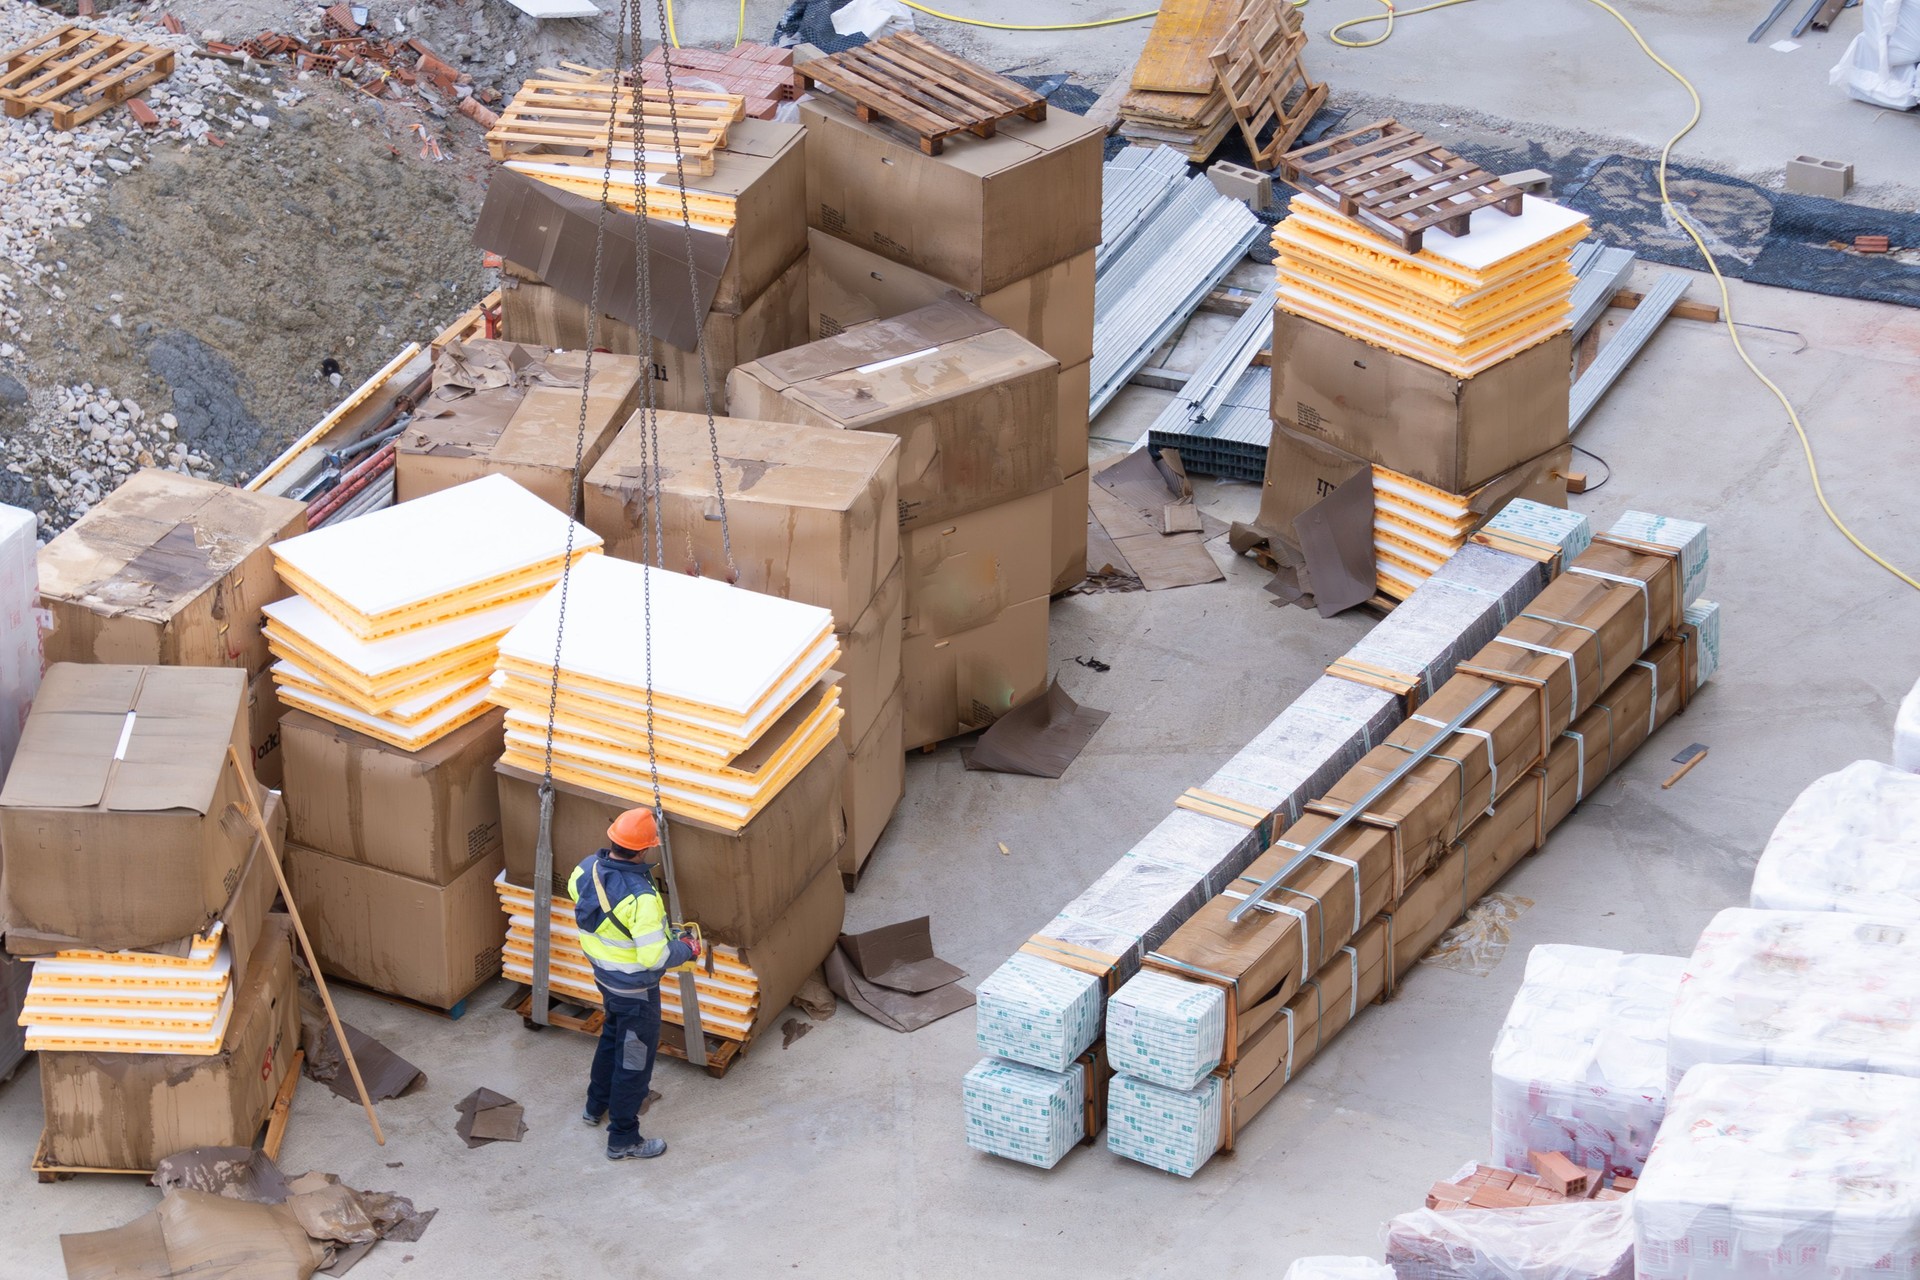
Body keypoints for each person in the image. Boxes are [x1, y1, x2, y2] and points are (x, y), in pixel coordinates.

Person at [568, 806, 699, 1160]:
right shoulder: (642, 897)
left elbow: (584, 904)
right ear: (644, 850)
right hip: (636, 991)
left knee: (612, 1036)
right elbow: (653, 957)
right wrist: (686, 948)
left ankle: (595, 1106)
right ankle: (623, 1138)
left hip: (606, 979)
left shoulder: (585, 868)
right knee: (634, 1061)